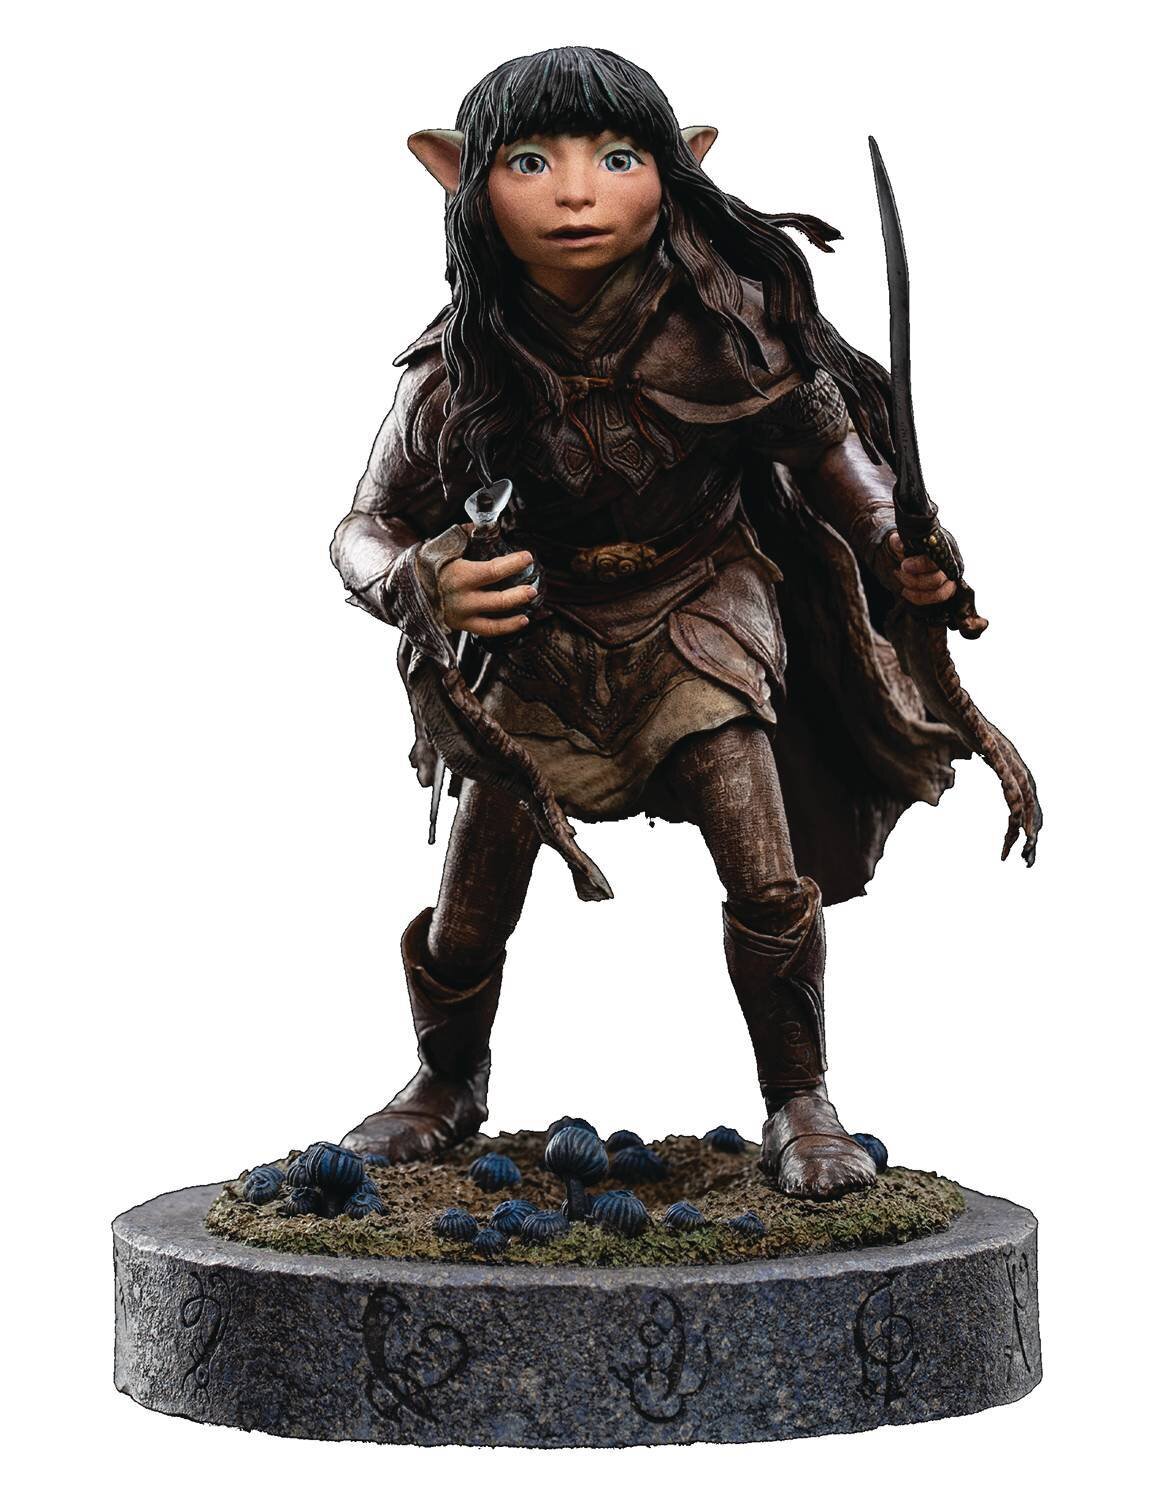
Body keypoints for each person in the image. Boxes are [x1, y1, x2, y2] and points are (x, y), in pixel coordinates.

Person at [330, 46, 970, 1199]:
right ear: (458, 176)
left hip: (696, 612)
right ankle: (443, 1081)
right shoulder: (456, 366)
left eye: (617, 158)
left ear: (678, 171)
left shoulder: (731, 335)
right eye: (532, 161)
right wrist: (419, 580)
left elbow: (839, 464)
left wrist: (896, 544)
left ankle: (799, 1096)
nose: (576, 192)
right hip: (535, 638)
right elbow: (363, 526)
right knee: (473, 900)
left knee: (762, 866)